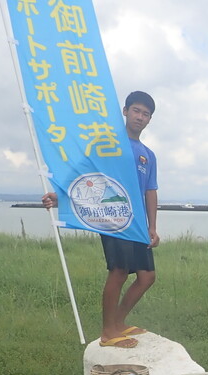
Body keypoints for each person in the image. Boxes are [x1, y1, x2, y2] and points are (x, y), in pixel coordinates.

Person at [42, 91, 160, 348]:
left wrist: (152, 226)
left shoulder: (148, 155)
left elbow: (151, 191)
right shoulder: (107, 144)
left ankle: (118, 322)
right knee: (118, 271)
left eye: (146, 114)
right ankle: (108, 333)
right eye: (136, 111)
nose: (140, 117)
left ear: (150, 119)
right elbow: (83, 173)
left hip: (137, 222)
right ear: (125, 111)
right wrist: (60, 196)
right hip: (113, 217)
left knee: (147, 276)